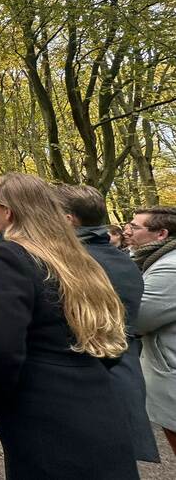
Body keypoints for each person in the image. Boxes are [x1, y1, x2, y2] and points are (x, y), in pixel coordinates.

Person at [0, 173, 137, 479]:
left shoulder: (9, 255)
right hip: (100, 401)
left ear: (8, 211)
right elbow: (112, 327)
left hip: (42, 411)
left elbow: (2, 345)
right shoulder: (78, 257)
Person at [56, 185, 159, 463]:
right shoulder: (118, 260)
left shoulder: (79, 263)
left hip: (93, 385)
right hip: (117, 379)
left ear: (68, 220)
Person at [126, 205, 176, 456]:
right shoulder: (155, 261)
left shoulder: (170, 267)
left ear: (161, 234)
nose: (127, 230)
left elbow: (137, 318)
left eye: (135, 226)